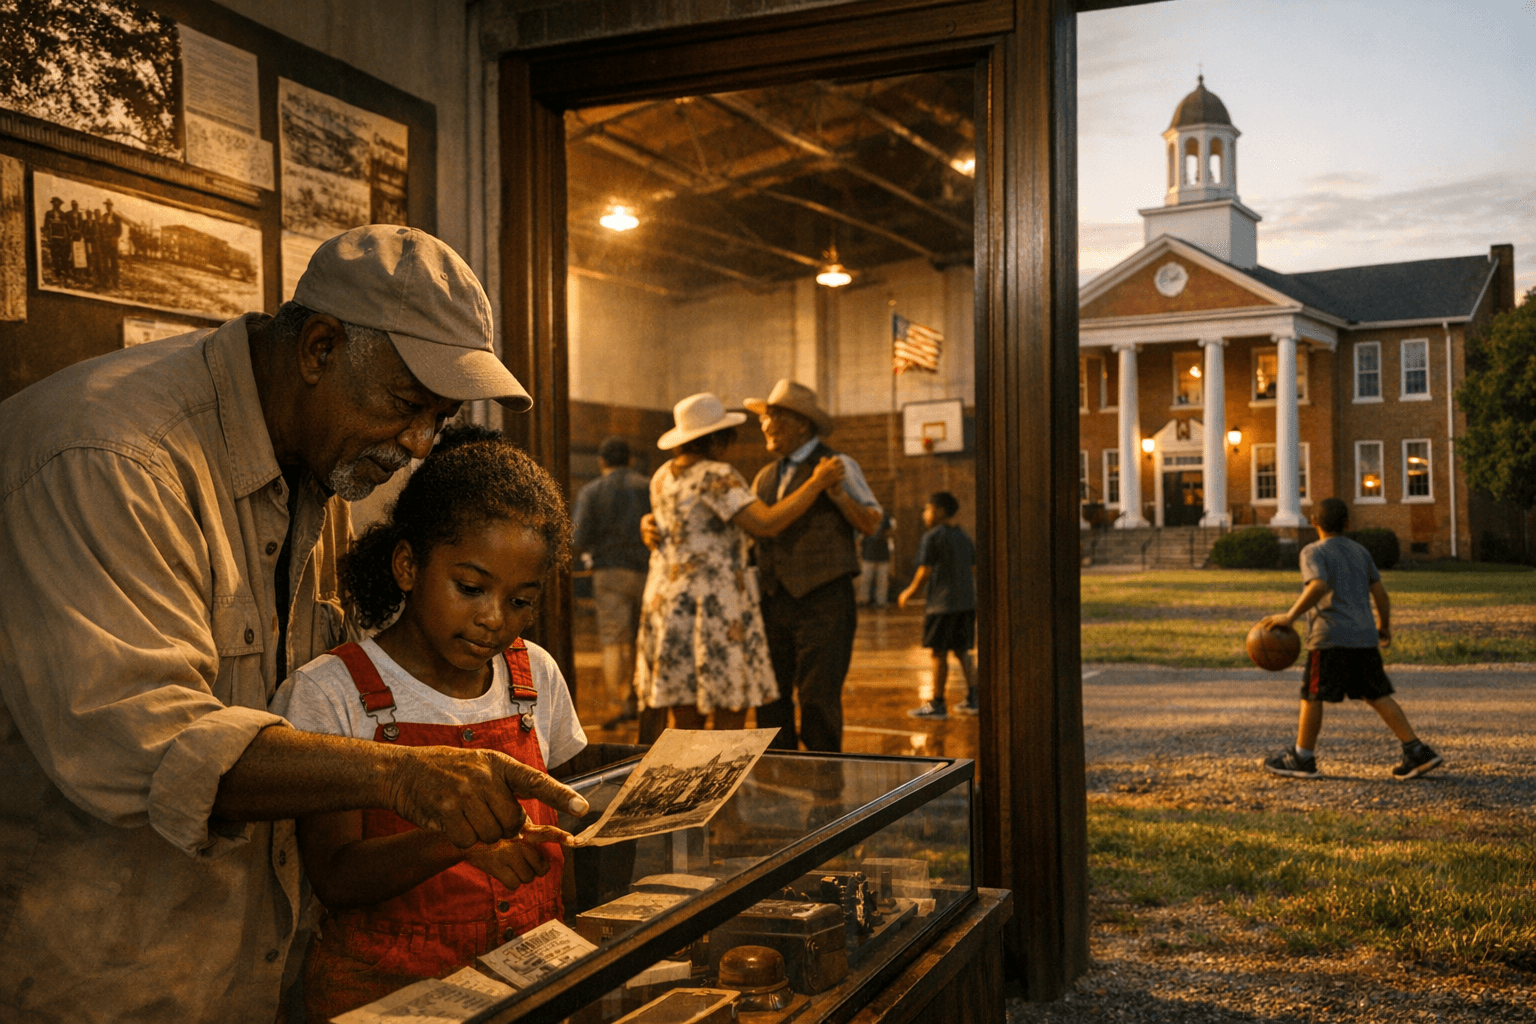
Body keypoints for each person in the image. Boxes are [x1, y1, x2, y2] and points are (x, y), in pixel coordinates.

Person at [0, 224, 587, 1023]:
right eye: (408, 407)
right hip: (110, 975)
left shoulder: (320, 460)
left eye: (439, 420)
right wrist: (403, 775)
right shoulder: (114, 457)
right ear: (318, 349)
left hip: (257, 966)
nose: (420, 446)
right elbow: (148, 747)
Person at [271, 427, 587, 1021]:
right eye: (470, 588)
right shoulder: (332, 693)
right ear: (409, 565)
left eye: (522, 600)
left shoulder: (534, 675)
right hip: (387, 989)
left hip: (531, 975)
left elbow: (562, 842)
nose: (495, 619)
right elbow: (335, 876)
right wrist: (459, 837)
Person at [635, 392, 846, 741]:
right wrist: (816, 483)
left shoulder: (661, 475)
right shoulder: (717, 474)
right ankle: (721, 785)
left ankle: (687, 784)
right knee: (728, 704)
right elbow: (765, 523)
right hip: (713, 599)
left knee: (683, 705)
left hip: (667, 599)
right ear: (718, 439)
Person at [1259, 497, 1442, 780]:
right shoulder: (1360, 552)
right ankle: (1416, 750)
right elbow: (1381, 595)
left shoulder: (1312, 551)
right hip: (1364, 637)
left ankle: (1302, 757)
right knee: (1377, 694)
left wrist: (1289, 617)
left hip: (1330, 637)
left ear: (1313, 522)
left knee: (1312, 695)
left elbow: (1318, 586)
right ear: (1347, 524)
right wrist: (1384, 626)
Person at [744, 380, 883, 752]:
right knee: (770, 696)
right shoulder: (765, 476)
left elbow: (871, 522)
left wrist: (838, 498)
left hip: (825, 599)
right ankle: (778, 774)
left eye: (775, 417)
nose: (766, 425)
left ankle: (825, 785)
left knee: (818, 697)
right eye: (765, 418)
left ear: (802, 424)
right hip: (773, 600)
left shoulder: (838, 466)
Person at [571, 436, 651, 729]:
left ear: (602, 461)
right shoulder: (647, 486)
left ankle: (616, 705)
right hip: (646, 571)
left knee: (613, 640)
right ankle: (639, 700)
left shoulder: (592, 491)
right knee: (640, 639)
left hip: (609, 573)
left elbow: (578, 539)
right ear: (630, 460)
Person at [898, 492, 978, 719]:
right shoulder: (963, 537)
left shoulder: (933, 537)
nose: (925, 514)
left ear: (940, 511)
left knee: (938, 653)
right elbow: (972, 566)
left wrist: (909, 592)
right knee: (963, 652)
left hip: (942, 606)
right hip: (966, 604)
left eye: (927, 509)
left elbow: (925, 570)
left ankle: (937, 703)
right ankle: (974, 699)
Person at [857, 511, 896, 607]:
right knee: (867, 580)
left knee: (881, 580)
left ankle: (880, 601)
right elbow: (860, 540)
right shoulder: (866, 522)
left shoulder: (886, 520)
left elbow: (892, 530)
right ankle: (864, 600)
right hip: (869, 555)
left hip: (880, 555)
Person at [42, 196, 71, 282]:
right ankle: (57, 272)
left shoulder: (63, 214)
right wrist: (47, 235)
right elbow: (46, 225)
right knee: (54, 254)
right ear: (53, 204)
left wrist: (66, 236)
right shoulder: (49, 213)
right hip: (53, 236)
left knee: (63, 254)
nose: (56, 205)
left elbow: (66, 226)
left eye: (58, 203)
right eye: (55, 203)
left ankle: (63, 271)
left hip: (61, 237)